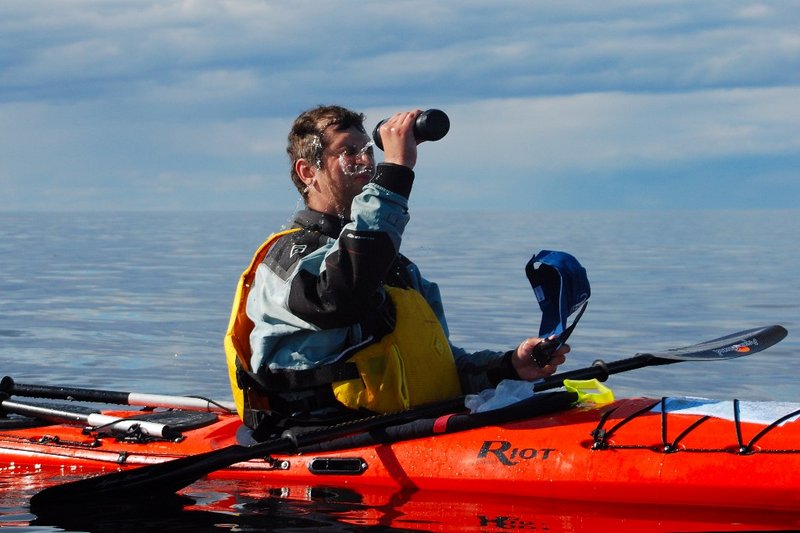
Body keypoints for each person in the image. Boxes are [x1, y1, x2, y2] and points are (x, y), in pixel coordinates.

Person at [224, 105, 569, 434]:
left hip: (412, 426)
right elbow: (341, 297)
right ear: (307, 172)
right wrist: (397, 170)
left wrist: (509, 366)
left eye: (367, 150)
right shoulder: (290, 257)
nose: (365, 162)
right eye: (348, 152)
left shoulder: (395, 267)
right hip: (329, 432)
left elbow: (440, 366)